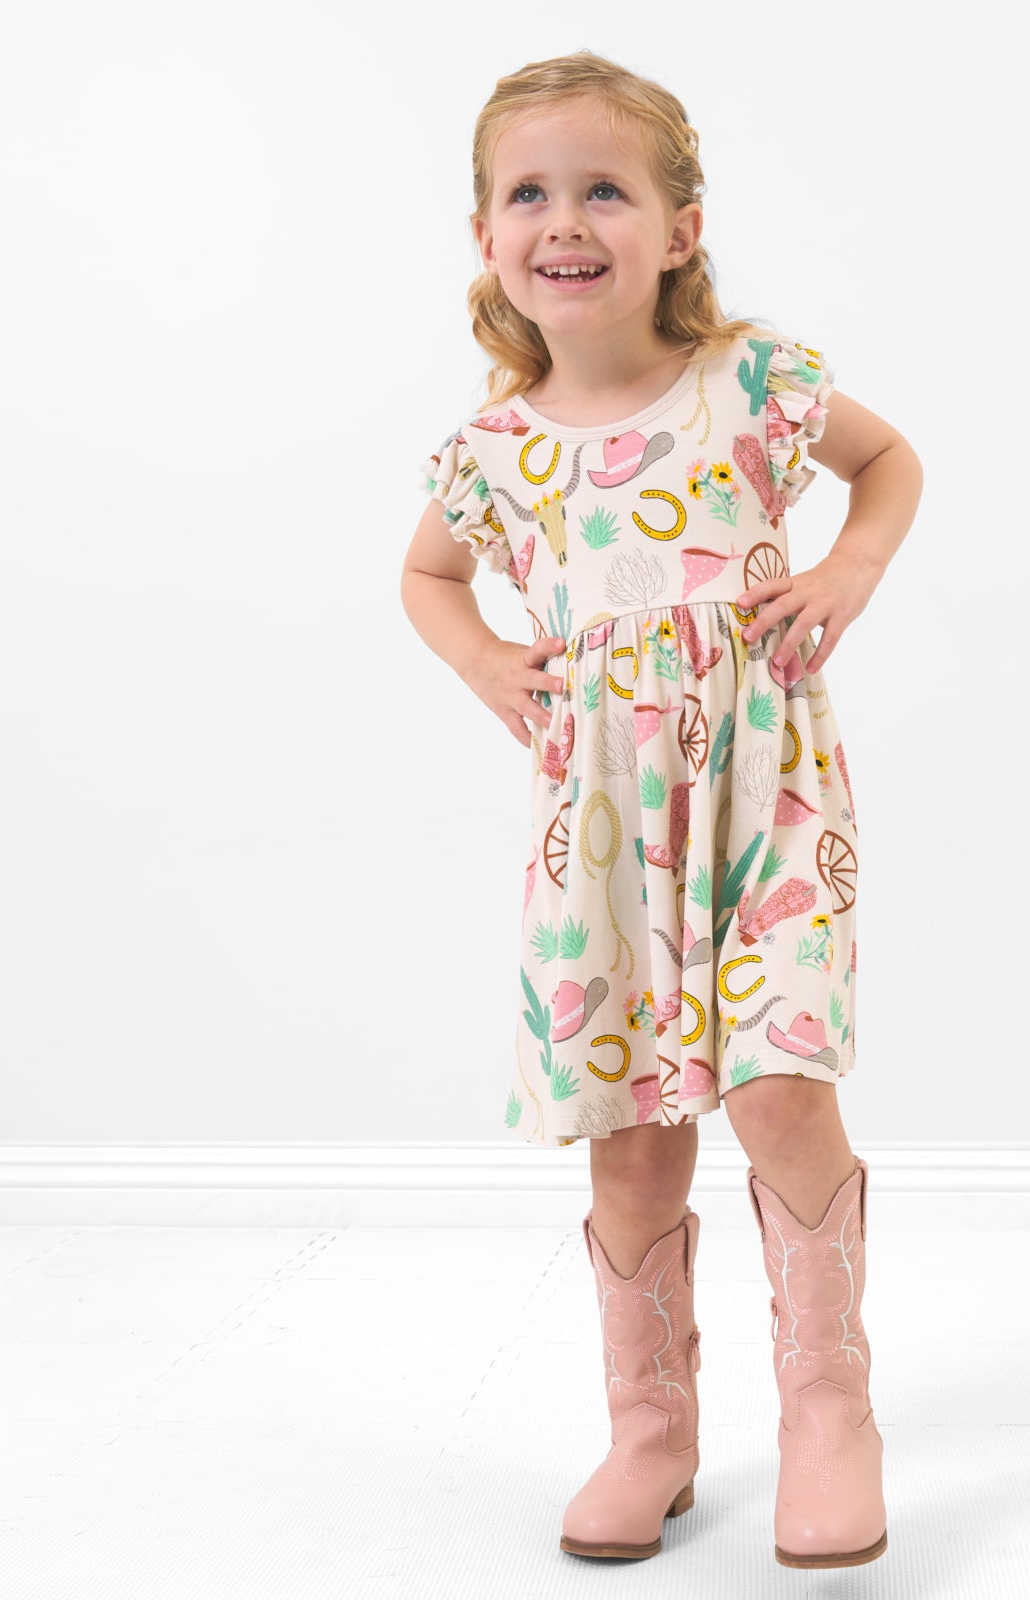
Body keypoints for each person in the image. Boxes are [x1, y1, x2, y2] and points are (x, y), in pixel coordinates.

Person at [401, 51, 923, 1571]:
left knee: (776, 1090)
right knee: (631, 1138)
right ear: (489, 235)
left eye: (606, 188)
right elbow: (426, 577)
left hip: (766, 789)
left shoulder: (749, 383)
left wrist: (847, 567)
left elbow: (884, 464)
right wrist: (494, 660)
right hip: (611, 832)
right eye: (531, 193)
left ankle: (831, 1409)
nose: (567, 220)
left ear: (680, 229)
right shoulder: (495, 452)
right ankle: (653, 1429)